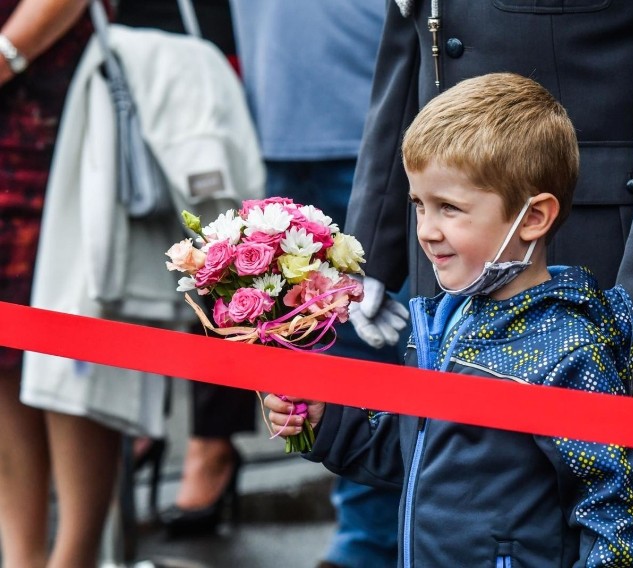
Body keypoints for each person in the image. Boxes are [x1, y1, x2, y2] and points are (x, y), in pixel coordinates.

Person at [343, 3, 633, 566]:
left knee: (628, 527)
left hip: (604, 255)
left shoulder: (590, 334)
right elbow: (412, 41)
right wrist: (373, 238)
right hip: (452, 243)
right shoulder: (435, 230)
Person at [264, 72, 633, 567]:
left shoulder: (570, 348)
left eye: (449, 208)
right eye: (419, 206)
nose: (426, 231)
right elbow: (416, 455)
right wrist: (328, 422)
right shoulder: (446, 322)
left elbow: (613, 510)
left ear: (533, 218)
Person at [228, 2, 401, 566]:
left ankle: (368, 542)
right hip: (273, 132)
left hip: (372, 139)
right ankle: (363, 536)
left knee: (372, 346)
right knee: (297, 352)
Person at [111, 0, 259, 536]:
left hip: (199, 52)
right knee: (123, 259)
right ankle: (135, 419)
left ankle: (210, 445)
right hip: (105, 60)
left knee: (222, 258)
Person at [0, 1, 120, 566]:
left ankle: (74, 557)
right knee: (3, 363)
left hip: (58, 127)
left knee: (71, 352)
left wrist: (7, 54)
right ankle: (20, 557)